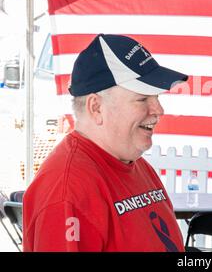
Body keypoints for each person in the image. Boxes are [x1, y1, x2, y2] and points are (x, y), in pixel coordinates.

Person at [23, 34, 188, 251]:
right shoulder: (68, 189)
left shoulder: (135, 163)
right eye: (142, 99)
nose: (159, 110)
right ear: (96, 108)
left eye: (156, 98)